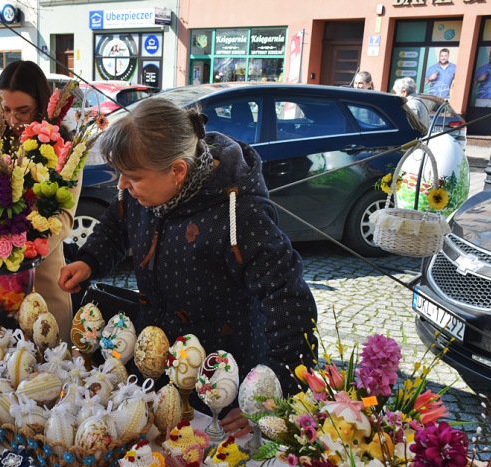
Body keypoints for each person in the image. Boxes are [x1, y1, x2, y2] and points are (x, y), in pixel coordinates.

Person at [59, 97, 319, 437]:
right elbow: (117, 223)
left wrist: (270, 391)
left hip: (220, 377)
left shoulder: (241, 212)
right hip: (157, 358)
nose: (122, 185)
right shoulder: (143, 190)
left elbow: (288, 300)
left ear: (178, 171)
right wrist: (89, 260)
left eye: (132, 177)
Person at [0, 61, 79, 343]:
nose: (12, 120)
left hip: (43, 285)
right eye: (5, 110)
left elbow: (63, 222)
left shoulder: (64, 150)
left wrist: (20, 253)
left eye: (23, 111)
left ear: (41, 106)